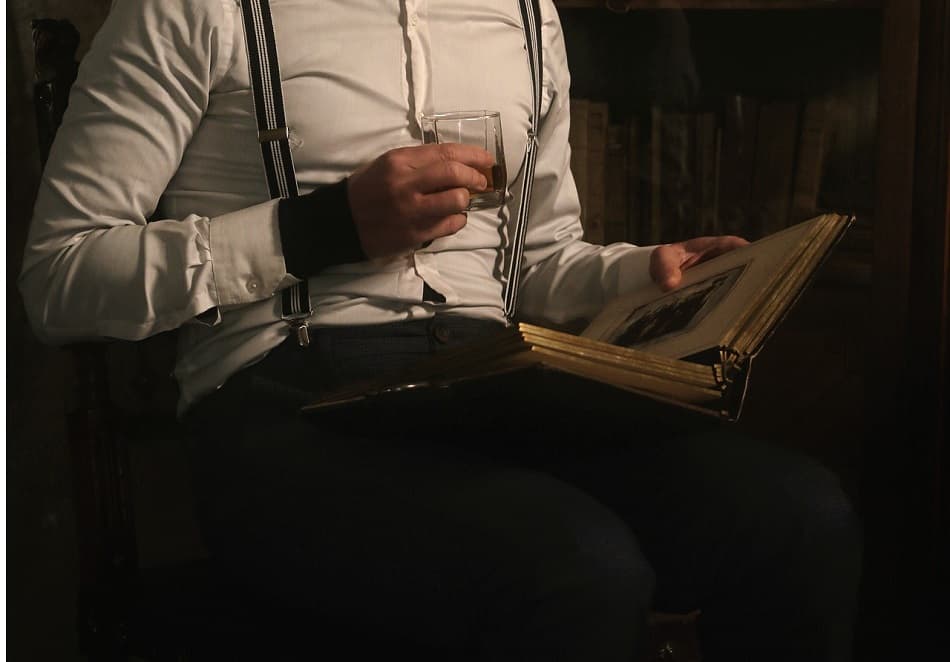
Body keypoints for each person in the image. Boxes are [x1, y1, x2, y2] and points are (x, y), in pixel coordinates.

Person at [19, 1, 861, 660]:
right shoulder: (192, 8)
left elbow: (533, 260)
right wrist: (324, 227)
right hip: (282, 403)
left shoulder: (525, 15)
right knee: (579, 569)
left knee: (797, 515)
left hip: (490, 385)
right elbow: (59, 281)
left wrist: (648, 272)